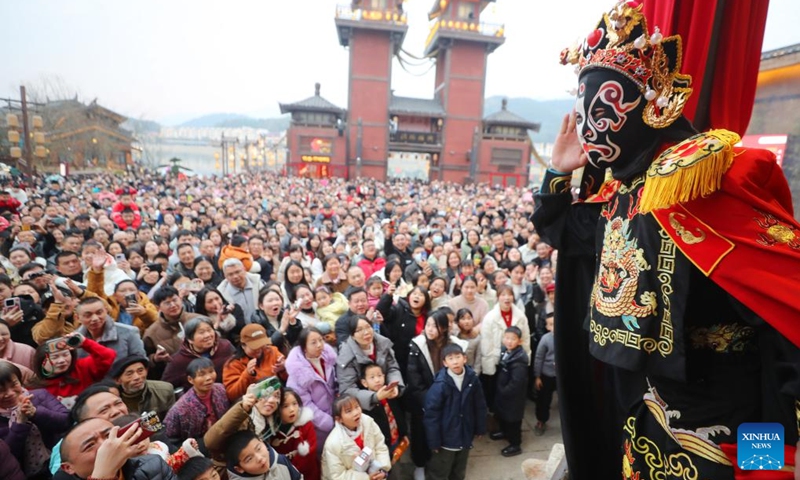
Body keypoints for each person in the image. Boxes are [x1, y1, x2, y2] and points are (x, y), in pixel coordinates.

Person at [536, 3, 800, 477]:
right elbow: (561, 233)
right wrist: (558, 169)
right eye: (583, 114)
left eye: (606, 111)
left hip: (733, 423)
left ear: (652, 108)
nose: (592, 130)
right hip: (648, 413)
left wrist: (772, 453)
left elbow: (781, 322)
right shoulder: (622, 194)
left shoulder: (706, 180)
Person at [406, 310, 468, 477]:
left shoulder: (455, 346)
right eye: (428, 325)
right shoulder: (417, 345)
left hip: (449, 399)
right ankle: (420, 464)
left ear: (444, 328)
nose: (430, 329)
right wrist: (429, 401)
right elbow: (414, 377)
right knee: (421, 433)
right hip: (425, 400)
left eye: (435, 326)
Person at [423, 343, 487, 480]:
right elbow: (431, 415)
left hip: (465, 435)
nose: (455, 361)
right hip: (445, 440)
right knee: (439, 472)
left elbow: (480, 406)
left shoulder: (472, 380)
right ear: (445, 363)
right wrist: (434, 441)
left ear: (464, 358)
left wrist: (480, 427)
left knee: (459, 471)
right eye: (450, 358)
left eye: (458, 357)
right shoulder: (440, 385)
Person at [0, 361, 70, 478]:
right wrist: (20, 423)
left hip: (60, 463)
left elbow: (67, 421)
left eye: (14, 384)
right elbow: (7, 455)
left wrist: (35, 413)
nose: (10, 393)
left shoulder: (40, 396)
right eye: (1, 390)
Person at [58, 417, 177, 480]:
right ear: (68, 468)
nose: (107, 445)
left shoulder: (154, 464)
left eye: (109, 436)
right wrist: (102, 476)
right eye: (89, 445)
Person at [204, 376, 283, 465]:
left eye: (277, 396)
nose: (271, 400)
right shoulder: (241, 419)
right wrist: (244, 407)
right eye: (266, 394)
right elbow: (210, 441)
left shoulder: (272, 423)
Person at [336, 315, 404, 413]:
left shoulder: (383, 343)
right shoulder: (345, 355)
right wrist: (374, 397)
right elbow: (347, 389)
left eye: (368, 327)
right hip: (364, 406)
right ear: (352, 335)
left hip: (388, 395)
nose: (366, 332)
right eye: (359, 330)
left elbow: (392, 368)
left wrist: (395, 386)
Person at [285, 327, 337, 448]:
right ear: (304, 348)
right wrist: (329, 422)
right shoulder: (297, 373)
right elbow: (306, 405)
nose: (319, 345)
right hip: (318, 425)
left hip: (336, 414)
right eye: (313, 342)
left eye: (321, 340)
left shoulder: (328, 359)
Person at [33, 333, 116, 409]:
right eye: (55, 357)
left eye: (65, 354)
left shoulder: (82, 367)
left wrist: (85, 343)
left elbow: (108, 356)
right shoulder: (34, 388)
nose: (62, 360)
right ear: (42, 362)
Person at [479, 286, 530, 409]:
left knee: (513, 390)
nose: (506, 298)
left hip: (516, 359)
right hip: (497, 360)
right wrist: (489, 366)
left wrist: (526, 357)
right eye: (503, 295)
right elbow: (486, 343)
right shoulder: (490, 317)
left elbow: (526, 338)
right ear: (498, 298)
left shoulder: (520, 316)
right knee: (496, 391)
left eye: (509, 295)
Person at [321, 395, 390, 480]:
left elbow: (380, 447)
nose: (356, 413)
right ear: (339, 419)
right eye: (348, 411)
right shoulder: (333, 443)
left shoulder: (368, 422)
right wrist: (366, 477)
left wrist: (382, 470)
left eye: (357, 407)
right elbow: (338, 476)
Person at [164, 358, 230, 444]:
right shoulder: (180, 408)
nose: (209, 378)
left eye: (211, 371)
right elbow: (169, 436)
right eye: (202, 375)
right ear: (190, 380)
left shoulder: (221, 389)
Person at [162, 316, 234, 391]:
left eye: (209, 330)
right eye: (201, 332)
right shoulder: (178, 360)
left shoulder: (225, 346)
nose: (207, 335)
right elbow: (165, 387)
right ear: (190, 339)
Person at [490, 326, 528, 457]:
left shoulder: (519, 360)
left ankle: (515, 444)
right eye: (507, 338)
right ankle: (504, 432)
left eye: (513, 339)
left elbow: (516, 383)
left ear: (520, 341)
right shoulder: (505, 351)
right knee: (503, 417)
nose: (509, 341)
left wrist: (504, 391)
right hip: (503, 394)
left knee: (513, 421)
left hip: (513, 397)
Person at [376, 285, 429, 378]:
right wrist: (388, 295)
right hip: (398, 356)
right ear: (409, 296)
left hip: (417, 358)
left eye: (420, 295)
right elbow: (382, 311)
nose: (417, 296)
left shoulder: (428, 317)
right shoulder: (399, 309)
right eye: (414, 294)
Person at [223, 323, 286, 401]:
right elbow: (232, 395)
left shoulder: (272, 351)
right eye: (255, 347)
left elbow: (290, 378)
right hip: (253, 404)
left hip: (276, 397)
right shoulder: (233, 364)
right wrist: (247, 375)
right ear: (243, 346)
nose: (259, 349)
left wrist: (283, 368)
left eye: (262, 345)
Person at [359, 362, 407, 459]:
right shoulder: (366, 404)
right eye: (372, 377)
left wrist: (404, 432)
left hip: (396, 438)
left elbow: (398, 415)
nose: (377, 380)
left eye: (379, 376)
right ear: (364, 382)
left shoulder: (390, 394)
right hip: (382, 446)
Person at [269, 388, 320, 480]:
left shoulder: (306, 424)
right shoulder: (271, 431)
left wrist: (293, 471)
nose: (292, 409)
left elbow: (311, 451)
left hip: (309, 474)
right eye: (285, 406)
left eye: (294, 404)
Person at [73, 297, 146, 360]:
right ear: (77, 318)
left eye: (99, 313)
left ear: (106, 311)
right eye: (88, 315)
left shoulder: (129, 332)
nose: (95, 318)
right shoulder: (75, 340)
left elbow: (141, 362)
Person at [109, 355, 175, 418]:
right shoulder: (111, 400)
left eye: (140, 371)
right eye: (129, 374)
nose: (137, 377)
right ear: (117, 380)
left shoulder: (164, 390)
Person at [225, 429, 302, 480]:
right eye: (249, 459)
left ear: (262, 442)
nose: (259, 458)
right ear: (239, 469)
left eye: (258, 449)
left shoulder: (281, 461)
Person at [533, 313, 556, 437]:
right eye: (551, 324)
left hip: (560, 376)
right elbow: (539, 358)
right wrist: (537, 376)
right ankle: (541, 420)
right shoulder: (546, 339)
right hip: (546, 374)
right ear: (547, 327)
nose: (554, 326)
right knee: (543, 400)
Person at [455, 308, 481, 374]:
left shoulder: (477, 338)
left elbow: (478, 361)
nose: (467, 321)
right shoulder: (455, 337)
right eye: (463, 319)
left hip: (470, 373)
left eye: (469, 318)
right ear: (457, 321)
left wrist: (475, 375)